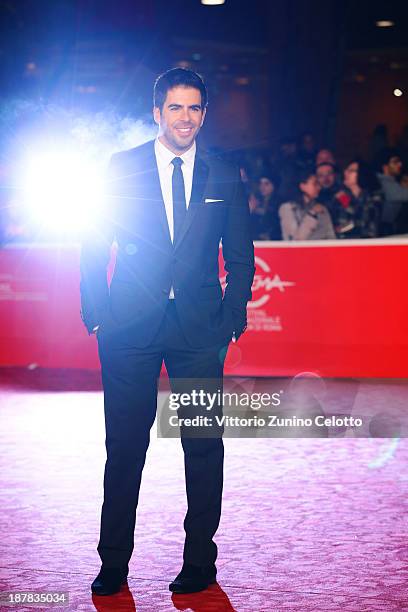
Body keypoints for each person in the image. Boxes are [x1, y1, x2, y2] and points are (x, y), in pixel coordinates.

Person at [80, 68, 255, 596]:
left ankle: (201, 561)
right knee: (125, 447)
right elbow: (93, 244)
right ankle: (114, 564)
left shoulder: (224, 174)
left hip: (200, 331)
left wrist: (230, 317)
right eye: (176, 108)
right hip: (128, 329)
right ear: (157, 112)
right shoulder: (122, 167)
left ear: (205, 112)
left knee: (203, 444)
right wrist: (98, 314)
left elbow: (241, 256)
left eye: (196, 108)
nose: (186, 118)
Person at [279, 168, 336, 240]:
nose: (319, 187)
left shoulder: (321, 208)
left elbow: (331, 236)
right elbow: (295, 240)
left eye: (319, 184)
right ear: (302, 186)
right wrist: (312, 215)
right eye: (315, 184)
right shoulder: (287, 208)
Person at [331, 159, 382, 238]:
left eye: (351, 170)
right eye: (346, 170)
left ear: (362, 174)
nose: (345, 173)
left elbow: (362, 222)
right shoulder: (339, 194)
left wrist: (345, 202)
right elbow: (334, 228)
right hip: (342, 243)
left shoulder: (374, 196)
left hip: (367, 243)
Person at [376, 148, 408, 235]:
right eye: (395, 162)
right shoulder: (384, 182)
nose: (400, 164)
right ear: (385, 167)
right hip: (384, 232)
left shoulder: (390, 181)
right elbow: (404, 195)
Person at [250, 173, 282, 240]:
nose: (262, 187)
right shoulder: (256, 201)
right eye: (260, 183)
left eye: (266, 184)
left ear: (274, 186)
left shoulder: (280, 204)